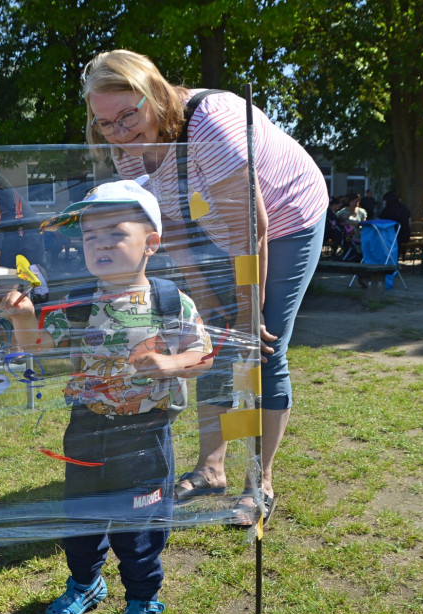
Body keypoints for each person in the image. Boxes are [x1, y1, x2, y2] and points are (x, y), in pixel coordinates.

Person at [81, 49, 328, 527]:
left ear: (154, 92)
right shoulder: (121, 144)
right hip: (211, 225)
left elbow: (251, 230)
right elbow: (169, 225)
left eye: (129, 113)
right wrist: (207, 303)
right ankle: (210, 468)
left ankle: (260, 483)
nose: (120, 131)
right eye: (105, 123)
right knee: (210, 339)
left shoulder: (212, 124)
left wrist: (246, 310)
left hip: (286, 220)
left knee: (259, 348)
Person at [1, 179, 211, 614]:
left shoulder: (169, 301)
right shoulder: (77, 302)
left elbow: (204, 356)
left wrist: (171, 363)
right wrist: (21, 318)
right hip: (87, 428)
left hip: (145, 434)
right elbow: (37, 348)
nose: (100, 245)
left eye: (114, 233)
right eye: (91, 237)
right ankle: (85, 583)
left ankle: (141, 599)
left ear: (150, 244)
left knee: (139, 528)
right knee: (81, 519)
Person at [378, 190, 412, 258]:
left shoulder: (387, 210)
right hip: (404, 236)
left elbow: (380, 222)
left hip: (390, 237)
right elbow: (409, 223)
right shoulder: (404, 208)